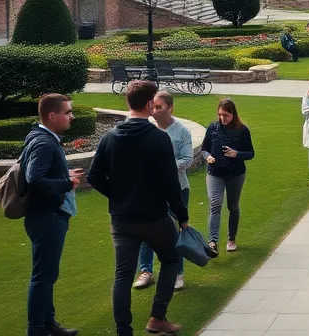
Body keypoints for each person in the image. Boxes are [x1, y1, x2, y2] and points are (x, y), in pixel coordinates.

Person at [87, 80, 189, 336]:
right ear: (148, 105)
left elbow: (94, 176)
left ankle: (124, 330)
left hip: (122, 218)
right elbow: (171, 183)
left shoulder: (110, 138)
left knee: (123, 273)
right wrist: (183, 217)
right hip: (154, 216)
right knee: (171, 258)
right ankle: (157, 317)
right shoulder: (159, 139)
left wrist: (118, 196)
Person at [21, 94, 83, 336]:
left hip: (46, 216)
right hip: (47, 217)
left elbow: (40, 174)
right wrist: (66, 183)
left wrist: (64, 174)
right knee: (43, 277)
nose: (72, 117)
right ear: (52, 115)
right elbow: (35, 179)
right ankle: (36, 329)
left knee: (48, 275)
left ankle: (48, 324)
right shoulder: (44, 143)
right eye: (67, 112)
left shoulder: (42, 138)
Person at [133, 91, 194, 292]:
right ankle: (146, 271)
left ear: (170, 108)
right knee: (146, 231)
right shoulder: (148, 130)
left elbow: (187, 159)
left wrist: (166, 167)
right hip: (151, 191)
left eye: (159, 107)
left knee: (175, 231)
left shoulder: (181, 131)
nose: (154, 111)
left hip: (177, 189)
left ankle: (178, 273)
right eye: (153, 107)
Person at [201, 98, 255, 254]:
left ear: (232, 114)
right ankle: (213, 242)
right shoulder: (213, 128)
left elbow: (251, 153)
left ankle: (232, 238)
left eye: (225, 115)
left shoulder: (242, 130)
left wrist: (236, 154)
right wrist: (207, 157)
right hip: (215, 172)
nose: (222, 118)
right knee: (215, 204)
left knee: (233, 206)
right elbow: (204, 148)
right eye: (220, 114)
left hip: (235, 173)